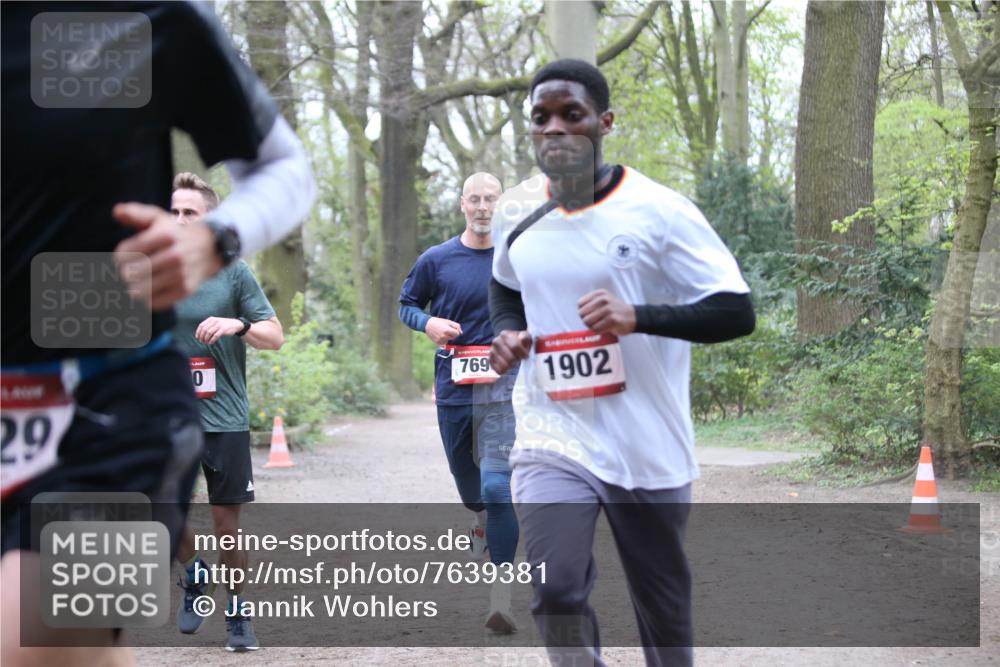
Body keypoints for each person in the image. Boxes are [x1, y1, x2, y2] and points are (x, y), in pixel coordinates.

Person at [0, 2, 315, 665]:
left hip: (110, 407)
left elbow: (286, 167)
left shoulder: (144, 18)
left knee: (28, 640)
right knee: (84, 651)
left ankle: (235, 608)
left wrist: (215, 239)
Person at [488, 59, 756, 667]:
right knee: (555, 588)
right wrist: (507, 333)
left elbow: (736, 312)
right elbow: (504, 284)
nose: (555, 129)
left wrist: (637, 316)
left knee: (662, 608)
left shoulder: (659, 210)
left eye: (571, 115)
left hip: (645, 439)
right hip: (553, 430)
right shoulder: (515, 211)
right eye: (541, 118)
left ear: (604, 122)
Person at [398, 172, 520, 633]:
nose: (483, 206)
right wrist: (427, 323)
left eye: (491, 199)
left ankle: (501, 597)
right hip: (454, 389)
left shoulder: (516, 257)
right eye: (475, 199)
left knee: (497, 487)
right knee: (473, 493)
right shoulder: (437, 259)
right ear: (462, 205)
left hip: (504, 389)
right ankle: (480, 521)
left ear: (502, 205)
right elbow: (407, 305)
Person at [170, 172, 283, 652]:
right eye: (173, 212)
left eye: (189, 213)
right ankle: (196, 576)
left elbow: (275, 336)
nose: (179, 220)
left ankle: (238, 614)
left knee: (227, 529)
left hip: (223, 417)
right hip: (167, 417)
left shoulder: (233, 272)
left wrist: (238, 324)